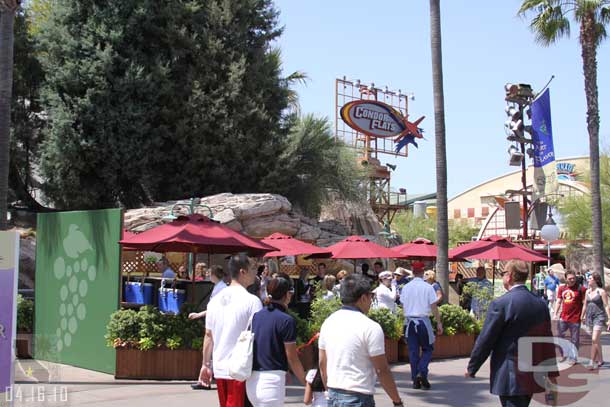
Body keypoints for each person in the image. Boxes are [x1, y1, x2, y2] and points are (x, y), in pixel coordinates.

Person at [465, 260, 557, 407]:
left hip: (510, 373)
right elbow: (547, 340)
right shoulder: (540, 304)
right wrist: (552, 373)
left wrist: (472, 367)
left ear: (510, 276)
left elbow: (486, 339)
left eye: (503, 273)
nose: (502, 277)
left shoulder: (501, 303)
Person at [318, 274, 404, 407]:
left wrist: (329, 390)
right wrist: (397, 401)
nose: (371, 301)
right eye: (371, 296)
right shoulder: (370, 327)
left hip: (333, 394)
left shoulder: (328, 322)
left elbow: (322, 362)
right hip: (358, 396)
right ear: (363, 298)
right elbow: (382, 370)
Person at [199, 253, 262, 407]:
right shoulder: (252, 301)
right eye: (253, 268)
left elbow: (208, 335)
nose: (256, 272)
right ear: (243, 272)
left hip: (221, 367)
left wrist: (205, 365)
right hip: (242, 368)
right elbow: (259, 335)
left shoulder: (214, 301)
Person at [246, 274, 306, 406]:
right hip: (271, 382)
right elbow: (292, 358)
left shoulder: (257, 316)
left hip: (252, 380)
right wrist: (306, 383)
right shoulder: (286, 320)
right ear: (287, 295)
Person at [400, 261, 443, 390]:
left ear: (412, 272)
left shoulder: (406, 287)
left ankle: (415, 379)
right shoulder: (428, 287)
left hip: (410, 322)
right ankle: (422, 371)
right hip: (423, 321)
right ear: (423, 272)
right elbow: (434, 306)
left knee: (413, 352)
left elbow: (402, 305)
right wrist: (439, 322)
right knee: (427, 349)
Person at [555, 270, 586, 365]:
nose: (572, 280)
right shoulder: (562, 288)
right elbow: (559, 301)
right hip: (563, 317)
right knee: (560, 336)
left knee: (575, 339)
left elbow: (584, 303)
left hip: (575, 318)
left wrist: (582, 315)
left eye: (573, 278)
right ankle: (564, 354)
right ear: (566, 279)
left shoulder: (581, 289)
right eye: (570, 279)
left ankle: (573, 357)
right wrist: (555, 313)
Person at [581, 272, 610, 369]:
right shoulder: (587, 292)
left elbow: (606, 306)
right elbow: (585, 304)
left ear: (595, 280)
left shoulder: (601, 291)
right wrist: (582, 316)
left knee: (594, 339)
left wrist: (609, 319)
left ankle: (591, 361)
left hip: (599, 317)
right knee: (596, 340)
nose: (588, 280)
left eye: (590, 278)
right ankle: (600, 360)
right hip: (589, 317)